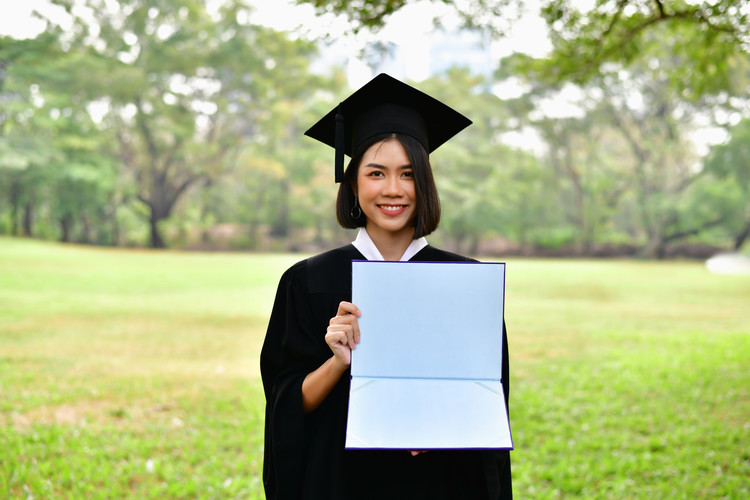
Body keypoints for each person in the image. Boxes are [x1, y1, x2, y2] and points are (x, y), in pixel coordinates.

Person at [260, 73, 512, 499]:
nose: (393, 189)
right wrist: (337, 361)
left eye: (408, 174)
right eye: (376, 172)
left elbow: (490, 397)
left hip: (442, 482)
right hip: (339, 480)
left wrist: (439, 424)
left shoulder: (466, 284)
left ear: (425, 183)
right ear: (353, 181)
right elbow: (287, 406)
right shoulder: (308, 282)